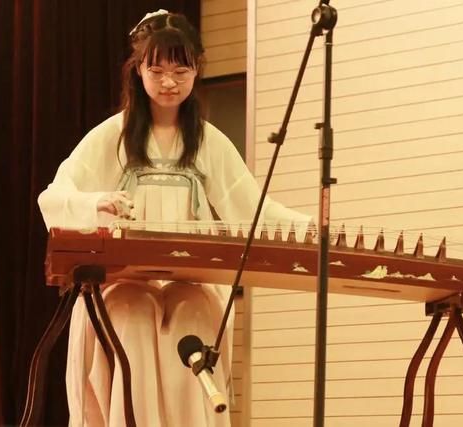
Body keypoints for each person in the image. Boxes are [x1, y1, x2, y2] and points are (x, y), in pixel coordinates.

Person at [38, 10, 309, 427]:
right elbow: (55, 196)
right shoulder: (113, 135)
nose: (169, 82)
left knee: (194, 315)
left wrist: (308, 228)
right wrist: (96, 204)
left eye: (181, 70)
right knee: (130, 313)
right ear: (138, 71)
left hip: (191, 281)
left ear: (197, 69)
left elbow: (253, 210)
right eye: (157, 70)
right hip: (122, 281)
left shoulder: (208, 141)